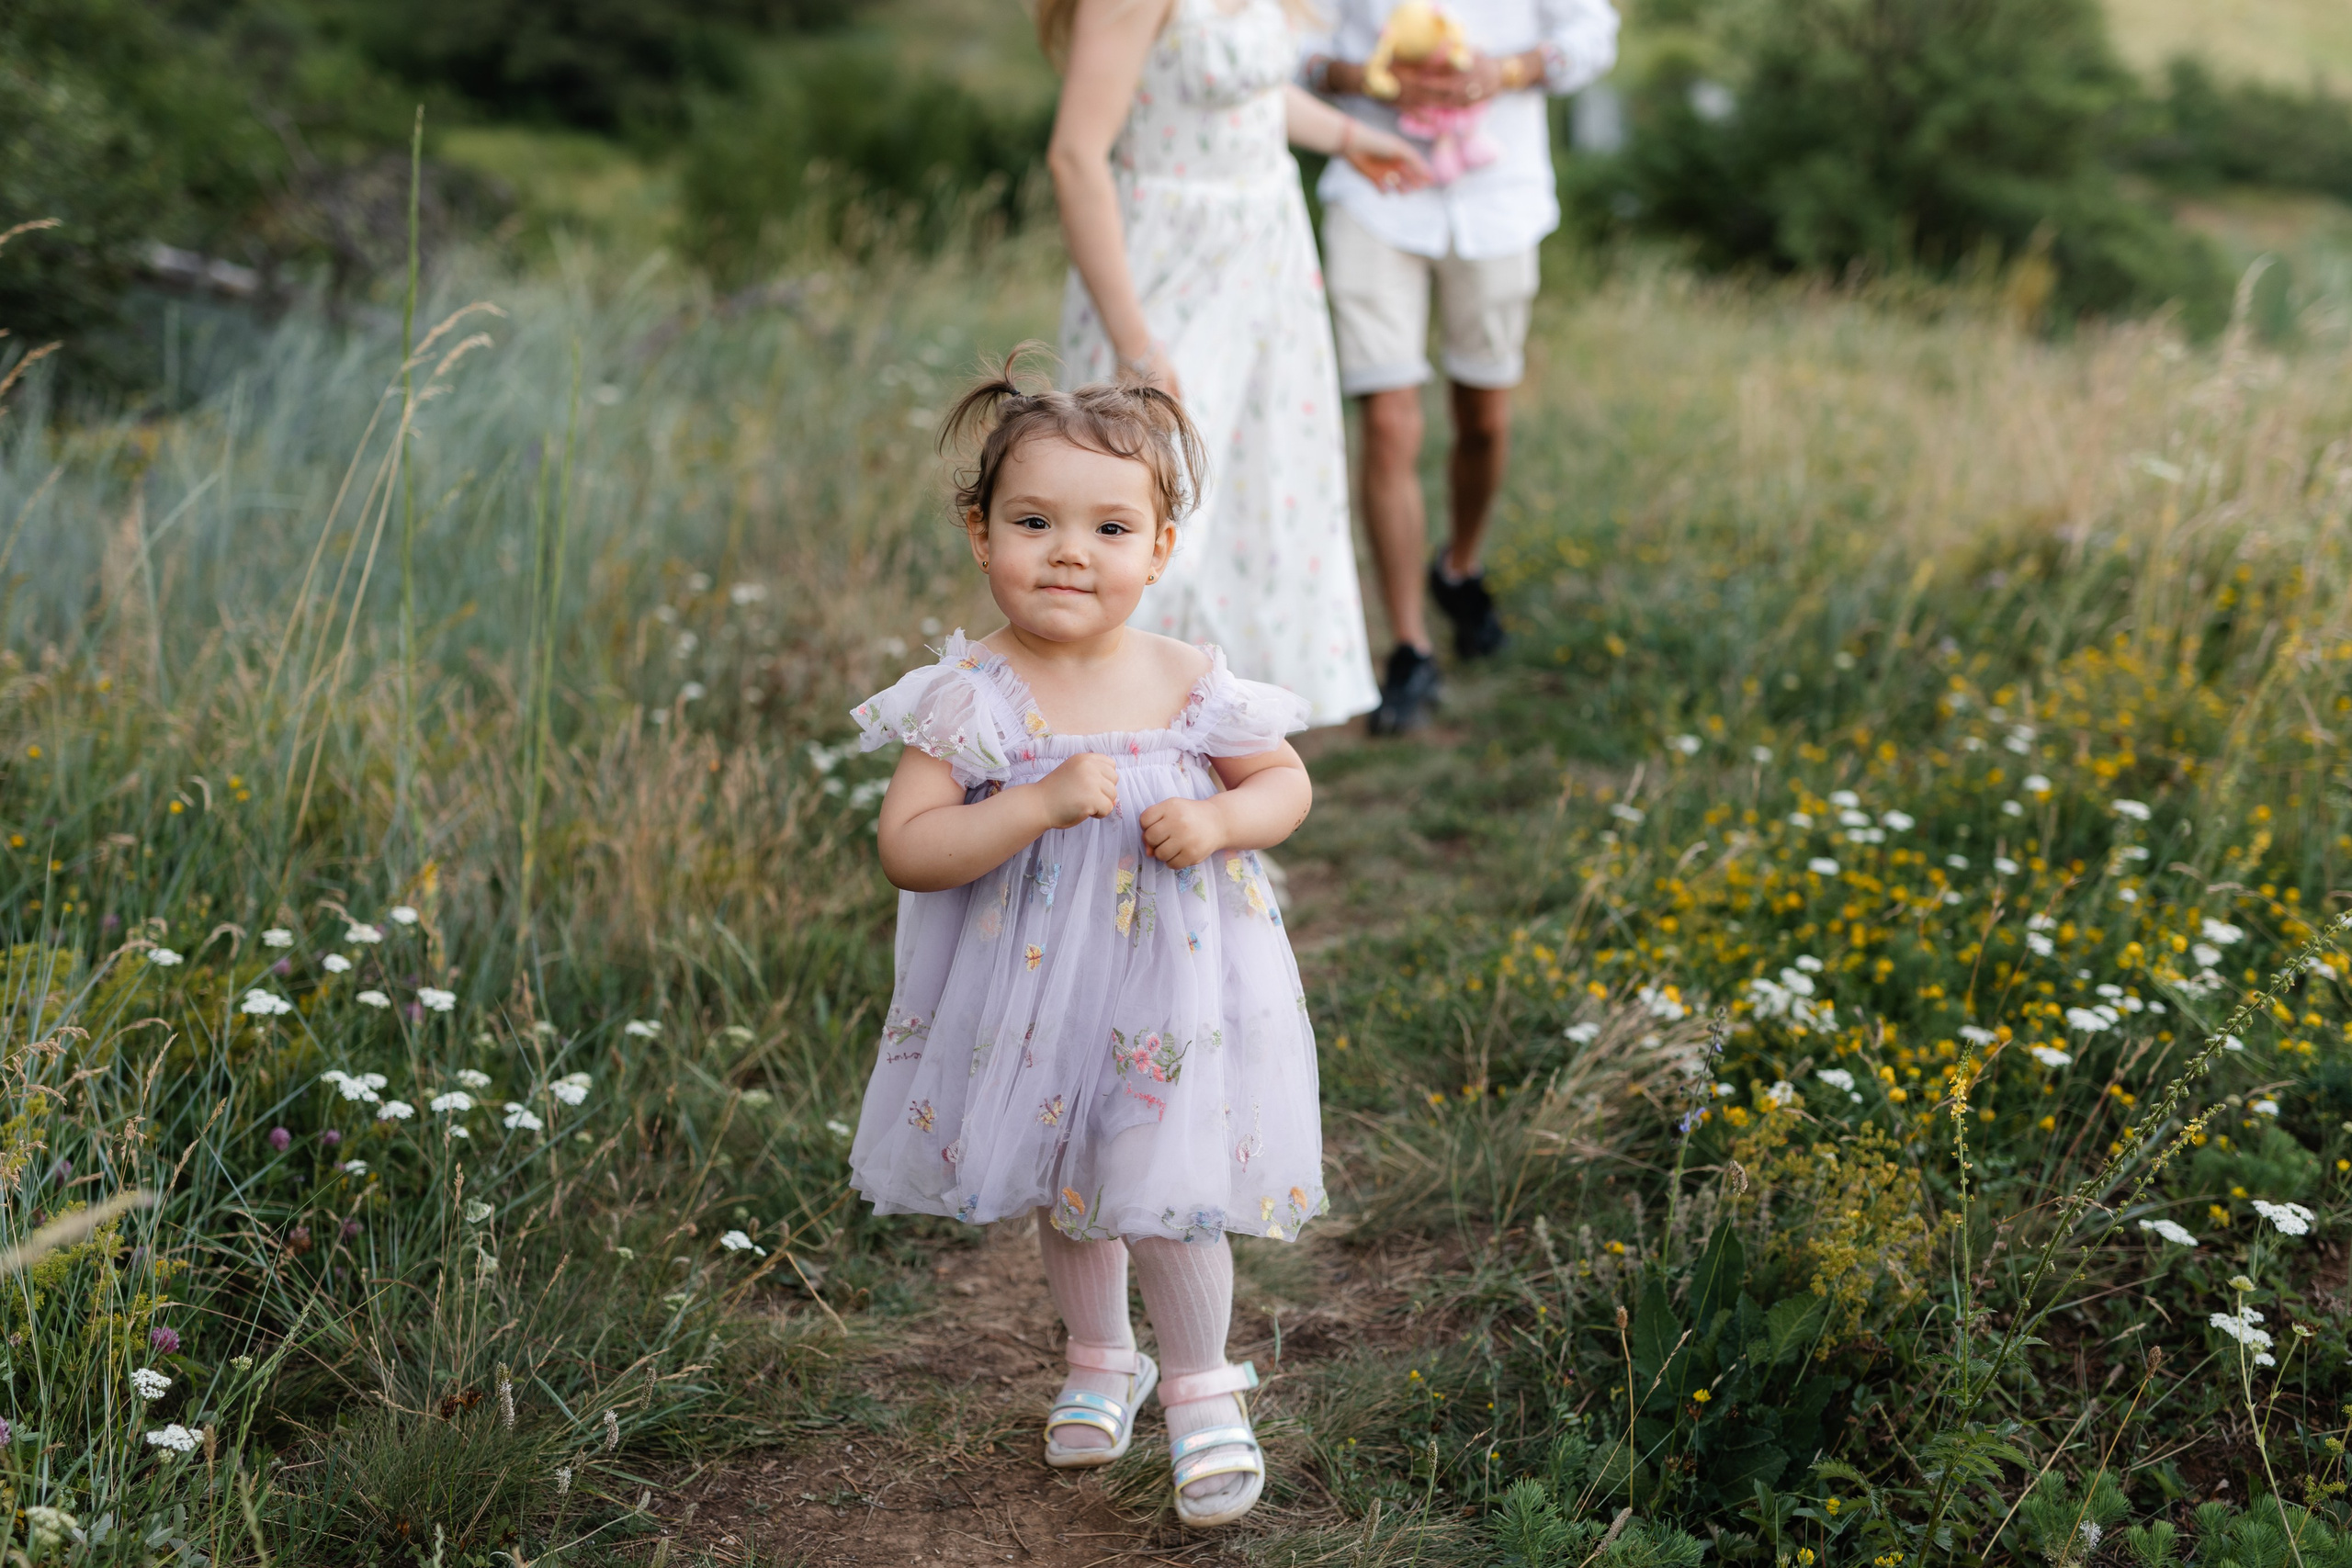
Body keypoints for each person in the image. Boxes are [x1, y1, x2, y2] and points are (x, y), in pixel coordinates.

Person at [846, 358, 1326, 1529]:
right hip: (1032, 990)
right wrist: (1028, 805)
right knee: (1068, 1184)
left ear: (1158, 548)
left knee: (1165, 1183)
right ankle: (1101, 1356)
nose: (1070, 551)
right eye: (1034, 521)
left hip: (1174, 983)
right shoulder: (969, 695)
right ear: (979, 533)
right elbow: (909, 847)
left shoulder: (1184, 680)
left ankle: (1205, 1390)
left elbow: (1286, 784)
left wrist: (1217, 818)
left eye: (1109, 526)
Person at [1044, 0, 1431, 727]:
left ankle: (1211, 780)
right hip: (1167, 270)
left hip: (1266, 260)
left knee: (1258, 510)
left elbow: (1244, 92)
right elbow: (1074, 156)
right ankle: (1113, 772)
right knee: (1154, 516)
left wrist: (1349, 136)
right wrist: (1138, 343)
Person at [1303, 0, 1618, 732]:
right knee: (1387, 420)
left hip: (1499, 199)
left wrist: (1504, 71)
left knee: (1483, 416)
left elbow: (1592, 36)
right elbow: (1294, 51)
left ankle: (1459, 568)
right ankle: (1410, 648)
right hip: (1375, 191)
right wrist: (1371, 79)